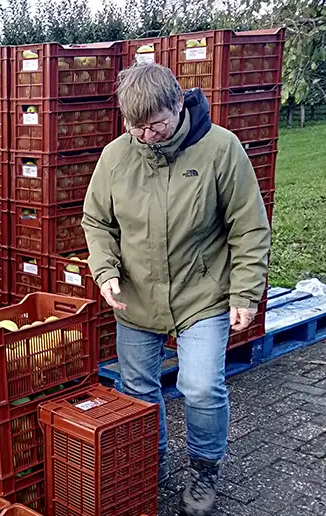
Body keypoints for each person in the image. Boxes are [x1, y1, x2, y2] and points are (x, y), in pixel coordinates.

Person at [81, 63, 270, 516]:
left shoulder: (220, 149)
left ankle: (204, 470)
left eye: (157, 125)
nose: (146, 136)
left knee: (201, 386)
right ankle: (151, 462)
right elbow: (97, 222)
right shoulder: (115, 157)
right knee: (138, 389)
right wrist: (105, 270)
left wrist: (245, 292)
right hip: (136, 295)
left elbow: (248, 227)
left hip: (200, 294)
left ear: (178, 104)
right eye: (136, 128)